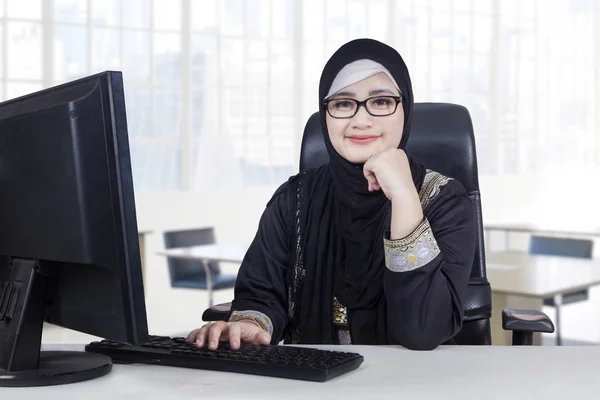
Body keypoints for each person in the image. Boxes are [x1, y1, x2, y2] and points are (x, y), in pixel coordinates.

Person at [186, 38, 476, 351]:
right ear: (325, 115)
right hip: (314, 384)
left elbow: (424, 331)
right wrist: (250, 325)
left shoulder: (445, 200)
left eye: (380, 102)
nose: (361, 120)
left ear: (405, 108)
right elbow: (260, 294)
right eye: (342, 103)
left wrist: (405, 197)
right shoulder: (294, 201)